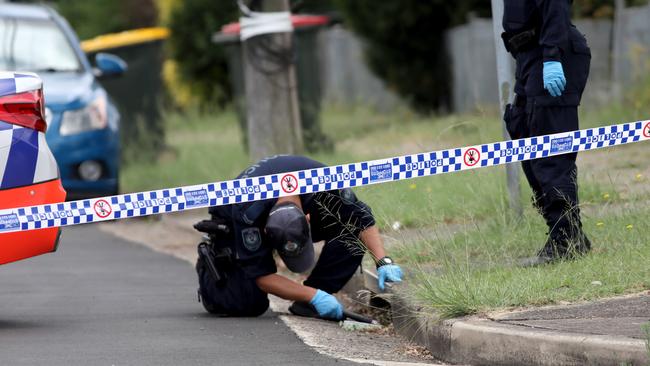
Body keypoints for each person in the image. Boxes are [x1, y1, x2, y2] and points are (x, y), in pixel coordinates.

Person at [194, 155, 403, 319]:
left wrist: (382, 261)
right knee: (246, 303)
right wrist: (315, 296)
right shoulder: (247, 212)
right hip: (232, 223)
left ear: (308, 218)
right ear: (265, 232)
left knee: (352, 230)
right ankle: (214, 281)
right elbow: (261, 277)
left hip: (302, 199)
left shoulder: (324, 185)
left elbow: (362, 218)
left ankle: (308, 302)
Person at [501, 0, 592, 265]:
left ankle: (565, 242)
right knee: (521, 128)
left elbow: (556, 6)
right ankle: (569, 233)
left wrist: (552, 56)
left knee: (551, 149)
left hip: (553, 53)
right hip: (530, 57)